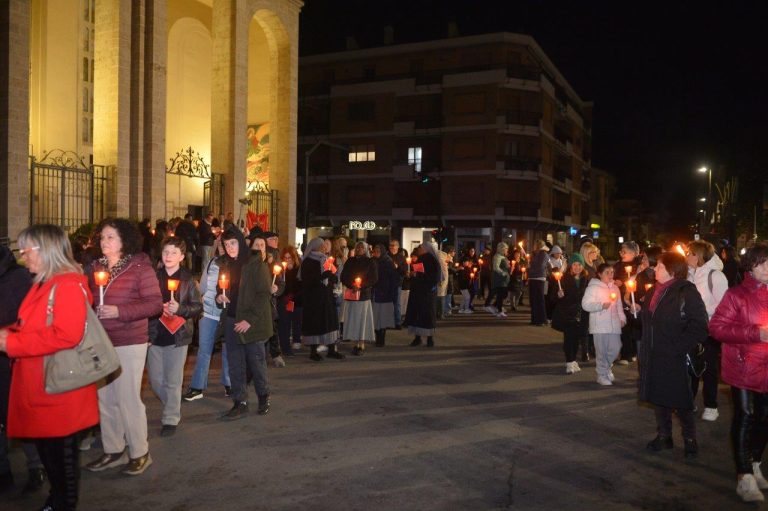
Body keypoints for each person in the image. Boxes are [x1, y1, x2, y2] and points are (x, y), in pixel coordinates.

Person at [0, 224, 100, 510]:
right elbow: (33, 324)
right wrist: (10, 333)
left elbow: (66, 334)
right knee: (50, 453)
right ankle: (55, 500)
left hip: (59, 386)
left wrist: (12, 343)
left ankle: (62, 504)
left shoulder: (66, 283)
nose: (22, 256)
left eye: (26, 250)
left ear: (45, 251)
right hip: (41, 383)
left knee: (62, 459)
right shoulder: (44, 281)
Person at [85, 218, 163, 476]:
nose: (104, 242)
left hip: (130, 340)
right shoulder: (95, 267)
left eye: (110, 237)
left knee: (128, 398)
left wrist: (120, 310)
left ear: (124, 241)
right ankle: (114, 449)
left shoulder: (139, 267)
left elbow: (154, 304)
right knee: (105, 398)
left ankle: (140, 452)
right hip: (102, 341)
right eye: (102, 237)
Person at [709, 243, 768, 502]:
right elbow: (717, 328)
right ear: (750, 267)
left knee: (764, 418)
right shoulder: (736, 295)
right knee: (745, 415)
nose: (767, 268)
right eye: (761, 263)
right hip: (743, 365)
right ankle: (744, 476)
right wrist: (755, 333)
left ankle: (755, 462)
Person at [637, 251, 708, 460]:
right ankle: (664, 436)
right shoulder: (654, 292)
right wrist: (636, 311)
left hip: (675, 356)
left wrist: (678, 347)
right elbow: (649, 322)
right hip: (653, 354)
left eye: (659, 266)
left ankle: (689, 439)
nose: (654, 269)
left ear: (672, 270)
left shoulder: (686, 292)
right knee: (659, 397)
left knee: (681, 399)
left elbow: (700, 327)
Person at [0, 245, 47, 496]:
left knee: (16, 415)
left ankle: (36, 466)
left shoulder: (17, 277)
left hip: (12, 356)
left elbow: (23, 316)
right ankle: (3, 471)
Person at [215, 227, 274, 420]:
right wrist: (219, 297)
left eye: (233, 243)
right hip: (232, 319)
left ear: (241, 242)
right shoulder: (225, 264)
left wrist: (249, 320)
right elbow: (221, 287)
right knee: (235, 363)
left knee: (256, 362)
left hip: (252, 322)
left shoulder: (256, 263)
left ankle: (263, 396)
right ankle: (240, 402)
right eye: (226, 244)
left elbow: (263, 294)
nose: (230, 247)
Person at [147, 237, 202, 437]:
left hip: (178, 335)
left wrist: (180, 309)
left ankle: (170, 417)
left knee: (173, 379)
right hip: (155, 334)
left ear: (181, 256)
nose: (168, 256)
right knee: (155, 380)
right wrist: (155, 308)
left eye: (173, 253)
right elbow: (145, 302)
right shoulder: (153, 276)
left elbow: (197, 307)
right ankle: (173, 402)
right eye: (165, 252)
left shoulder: (188, 279)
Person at [685, 240, 728, 422]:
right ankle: (689, 401)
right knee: (691, 367)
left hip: (709, 330)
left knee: (709, 368)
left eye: (691, 253)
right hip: (691, 329)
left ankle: (711, 405)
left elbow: (724, 307)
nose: (687, 256)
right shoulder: (688, 275)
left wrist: (702, 310)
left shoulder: (715, 276)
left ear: (700, 256)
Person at [184, 238, 230, 402]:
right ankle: (197, 386)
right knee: (204, 350)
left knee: (228, 349)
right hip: (209, 312)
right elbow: (203, 287)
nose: (225, 248)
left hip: (226, 314)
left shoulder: (238, 265)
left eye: (229, 244)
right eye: (222, 245)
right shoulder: (212, 262)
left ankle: (229, 383)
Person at [300, 238, 345, 361]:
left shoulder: (325, 259)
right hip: (314, 299)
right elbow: (307, 280)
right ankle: (313, 351)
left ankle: (332, 349)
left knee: (330, 322)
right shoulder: (308, 261)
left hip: (327, 297)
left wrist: (333, 278)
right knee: (315, 323)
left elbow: (332, 273)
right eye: (321, 245)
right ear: (314, 247)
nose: (324, 247)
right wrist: (321, 277)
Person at [582, 263, 626, 385]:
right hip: (599, 325)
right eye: (607, 272)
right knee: (602, 351)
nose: (610, 275)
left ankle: (606, 368)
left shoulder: (615, 288)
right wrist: (601, 306)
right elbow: (585, 304)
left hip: (614, 324)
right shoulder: (593, 288)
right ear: (600, 274)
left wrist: (622, 318)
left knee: (616, 348)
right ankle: (602, 374)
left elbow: (619, 306)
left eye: (612, 272)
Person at [551, 254, 589, 375]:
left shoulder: (586, 280)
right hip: (567, 313)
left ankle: (573, 361)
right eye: (575, 264)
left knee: (577, 338)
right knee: (569, 339)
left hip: (581, 313)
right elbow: (552, 297)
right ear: (570, 266)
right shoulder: (563, 279)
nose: (577, 267)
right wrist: (558, 295)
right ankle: (569, 361)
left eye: (580, 264)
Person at [341, 242, 378, 355]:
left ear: (366, 249)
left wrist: (361, 286)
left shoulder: (370, 261)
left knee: (362, 320)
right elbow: (343, 276)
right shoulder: (350, 261)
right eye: (357, 247)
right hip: (352, 294)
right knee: (353, 319)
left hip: (363, 296)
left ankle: (361, 343)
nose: (359, 249)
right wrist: (351, 285)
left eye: (362, 247)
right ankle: (354, 341)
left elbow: (374, 278)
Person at [405, 243, 443, 347]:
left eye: (421, 247)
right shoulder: (421, 258)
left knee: (427, 315)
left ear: (426, 249)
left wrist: (416, 274)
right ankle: (418, 338)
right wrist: (413, 274)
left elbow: (432, 276)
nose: (419, 249)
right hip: (419, 291)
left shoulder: (430, 260)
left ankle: (429, 339)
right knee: (418, 314)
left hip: (426, 292)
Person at [276, 246, 302, 356]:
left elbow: (301, 285)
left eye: (289, 257)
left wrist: (294, 295)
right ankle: (285, 347)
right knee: (284, 325)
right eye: (285, 258)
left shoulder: (298, 268)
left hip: (297, 300)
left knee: (297, 322)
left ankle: (296, 340)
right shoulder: (280, 270)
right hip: (285, 301)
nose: (287, 260)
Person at [371, 244, 398, 347]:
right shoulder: (372, 261)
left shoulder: (388, 262)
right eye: (375, 251)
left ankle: (381, 338)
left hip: (385, 294)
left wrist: (392, 293)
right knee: (376, 317)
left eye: (378, 251)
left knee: (383, 317)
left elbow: (393, 279)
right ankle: (377, 336)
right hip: (375, 293)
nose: (376, 253)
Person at [528, 240, 550, 326]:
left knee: (539, 300)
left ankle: (542, 320)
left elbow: (540, 266)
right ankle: (534, 319)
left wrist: (530, 269)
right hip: (533, 278)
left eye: (534, 245)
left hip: (539, 278)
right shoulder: (536, 254)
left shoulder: (543, 254)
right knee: (533, 300)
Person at [488, 242, 511, 317]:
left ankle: (495, 306)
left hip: (504, 280)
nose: (507, 250)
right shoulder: (497, 256)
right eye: (506, 248)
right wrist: (503, 273)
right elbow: (496, 267)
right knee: (501, 295)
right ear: (502, 249)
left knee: (504, 294)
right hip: (500, 279)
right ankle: (499, 311)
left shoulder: (503, 256)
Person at [388, 240, 408, 327]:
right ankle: (388, 322)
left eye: (394, 245)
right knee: (387, 303)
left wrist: (397, 268)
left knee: (397, 303)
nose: (392, 247)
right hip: (387, 283)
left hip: (396, 283)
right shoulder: (386, 256)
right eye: (390, 245)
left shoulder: (401, 257)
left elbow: (404, 271)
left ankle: (397, 322)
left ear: (397, 247)